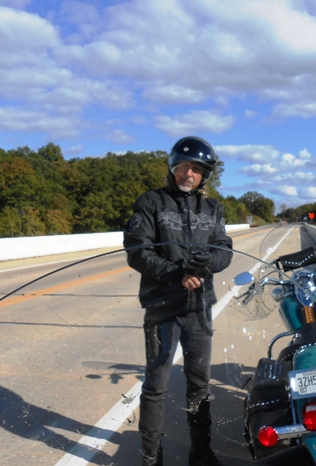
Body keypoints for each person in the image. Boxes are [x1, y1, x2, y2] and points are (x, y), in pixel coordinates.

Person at [124, 136, 233, 466]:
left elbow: (224, 249)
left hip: (199, 310)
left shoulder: (213, 208)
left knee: (199, 384)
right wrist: (177, 273)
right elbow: (137, 250)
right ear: (173, 167)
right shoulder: (151, 202)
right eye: (184, 166)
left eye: (197, 169)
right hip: (161, 309)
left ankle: (201, 451)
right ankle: (151, 458)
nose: (189, 173)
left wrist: (206, 264)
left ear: (204, 175)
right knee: (156, 383)